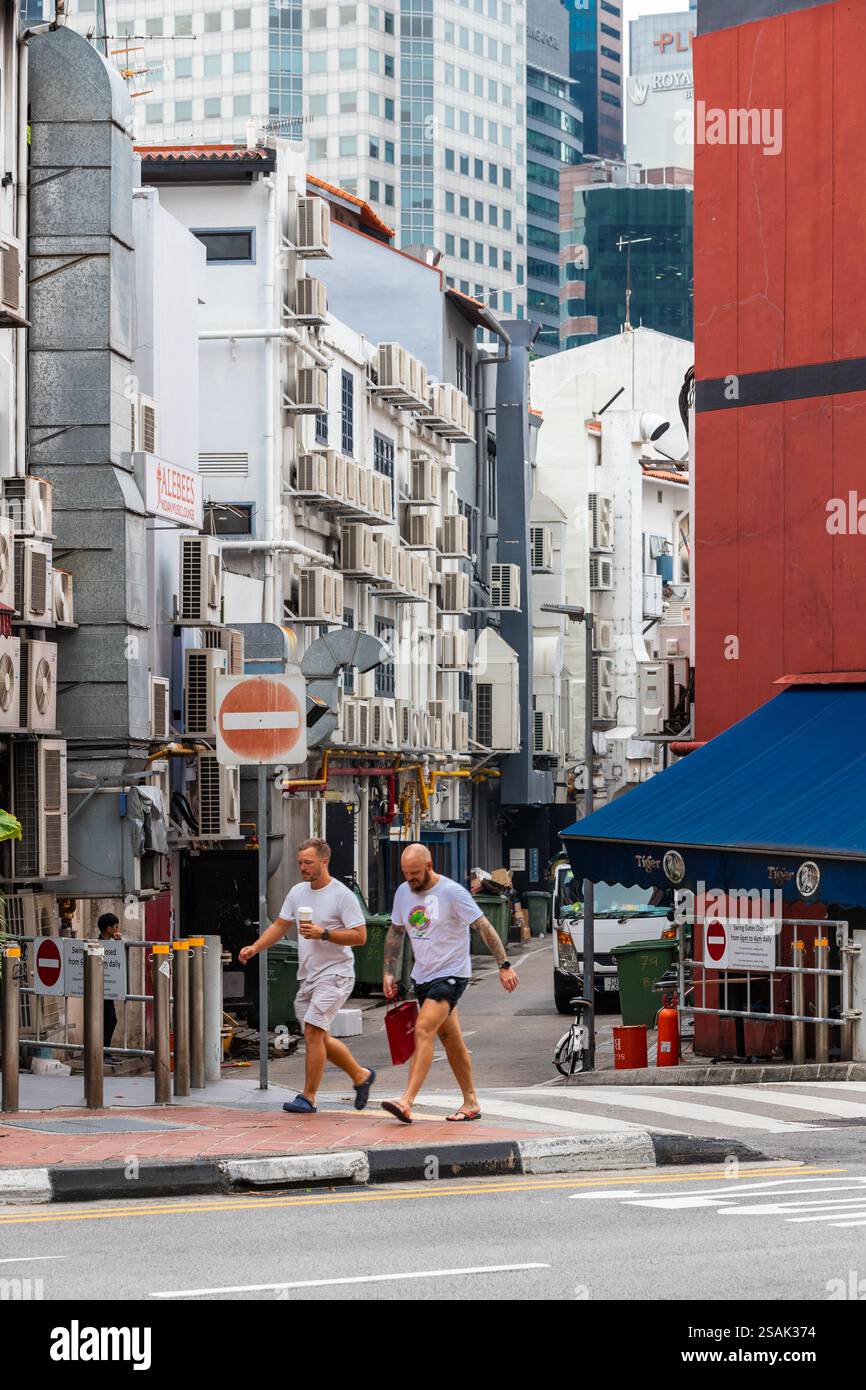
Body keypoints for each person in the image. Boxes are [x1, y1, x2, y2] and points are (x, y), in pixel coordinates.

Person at [380, 843, 519, 1124]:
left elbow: (484, 927)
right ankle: (471, 1102)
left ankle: (406, 1101)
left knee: (423, 1029)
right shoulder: (403, 893)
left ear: (429, 866)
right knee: (451, 1039)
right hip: (423, 976)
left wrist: (503, 965)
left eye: (415, 873)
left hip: (452, 974)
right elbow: (395, 932)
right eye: (406, 873)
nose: (410, 879)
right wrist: (388, 972)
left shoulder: (453, 892)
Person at [238, 838, 375, 1115]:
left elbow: (360, 936)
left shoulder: (342, 895)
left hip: (336, 974)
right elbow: (279, 926)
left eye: (308, 862)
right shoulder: (298, 892)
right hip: (308, 975)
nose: (302, 867)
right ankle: (361, 1076)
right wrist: (255, 947)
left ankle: (309, 1098)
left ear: (324, 861)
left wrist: (324, 933)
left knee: (313, 1030)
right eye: (300, 862)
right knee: (318, 1037)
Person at [97, 913, 121, 1051]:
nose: (118, 930)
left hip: (109, 988)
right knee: (108, 1021)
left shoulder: (112, 944)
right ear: (108, 929)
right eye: (116, 927)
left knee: (111, 1020)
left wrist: (119, 942)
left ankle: (105, 1050)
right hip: (102, 988)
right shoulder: (98, 944)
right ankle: (103, 1051)